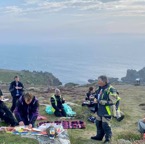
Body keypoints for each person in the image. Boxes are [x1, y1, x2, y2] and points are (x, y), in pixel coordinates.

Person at [91, 75, 119, 144]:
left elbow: (113, 101)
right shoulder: (100, 88)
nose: (97, 82)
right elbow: (97, 96)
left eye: (99, 81)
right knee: (98, 123)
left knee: (105, 125)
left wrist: (100, 101)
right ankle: (99, 136)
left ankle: (108, 139)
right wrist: (93, 97)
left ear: (104, 81)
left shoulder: (111, 89)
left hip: (107, 110)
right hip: (99, 110)